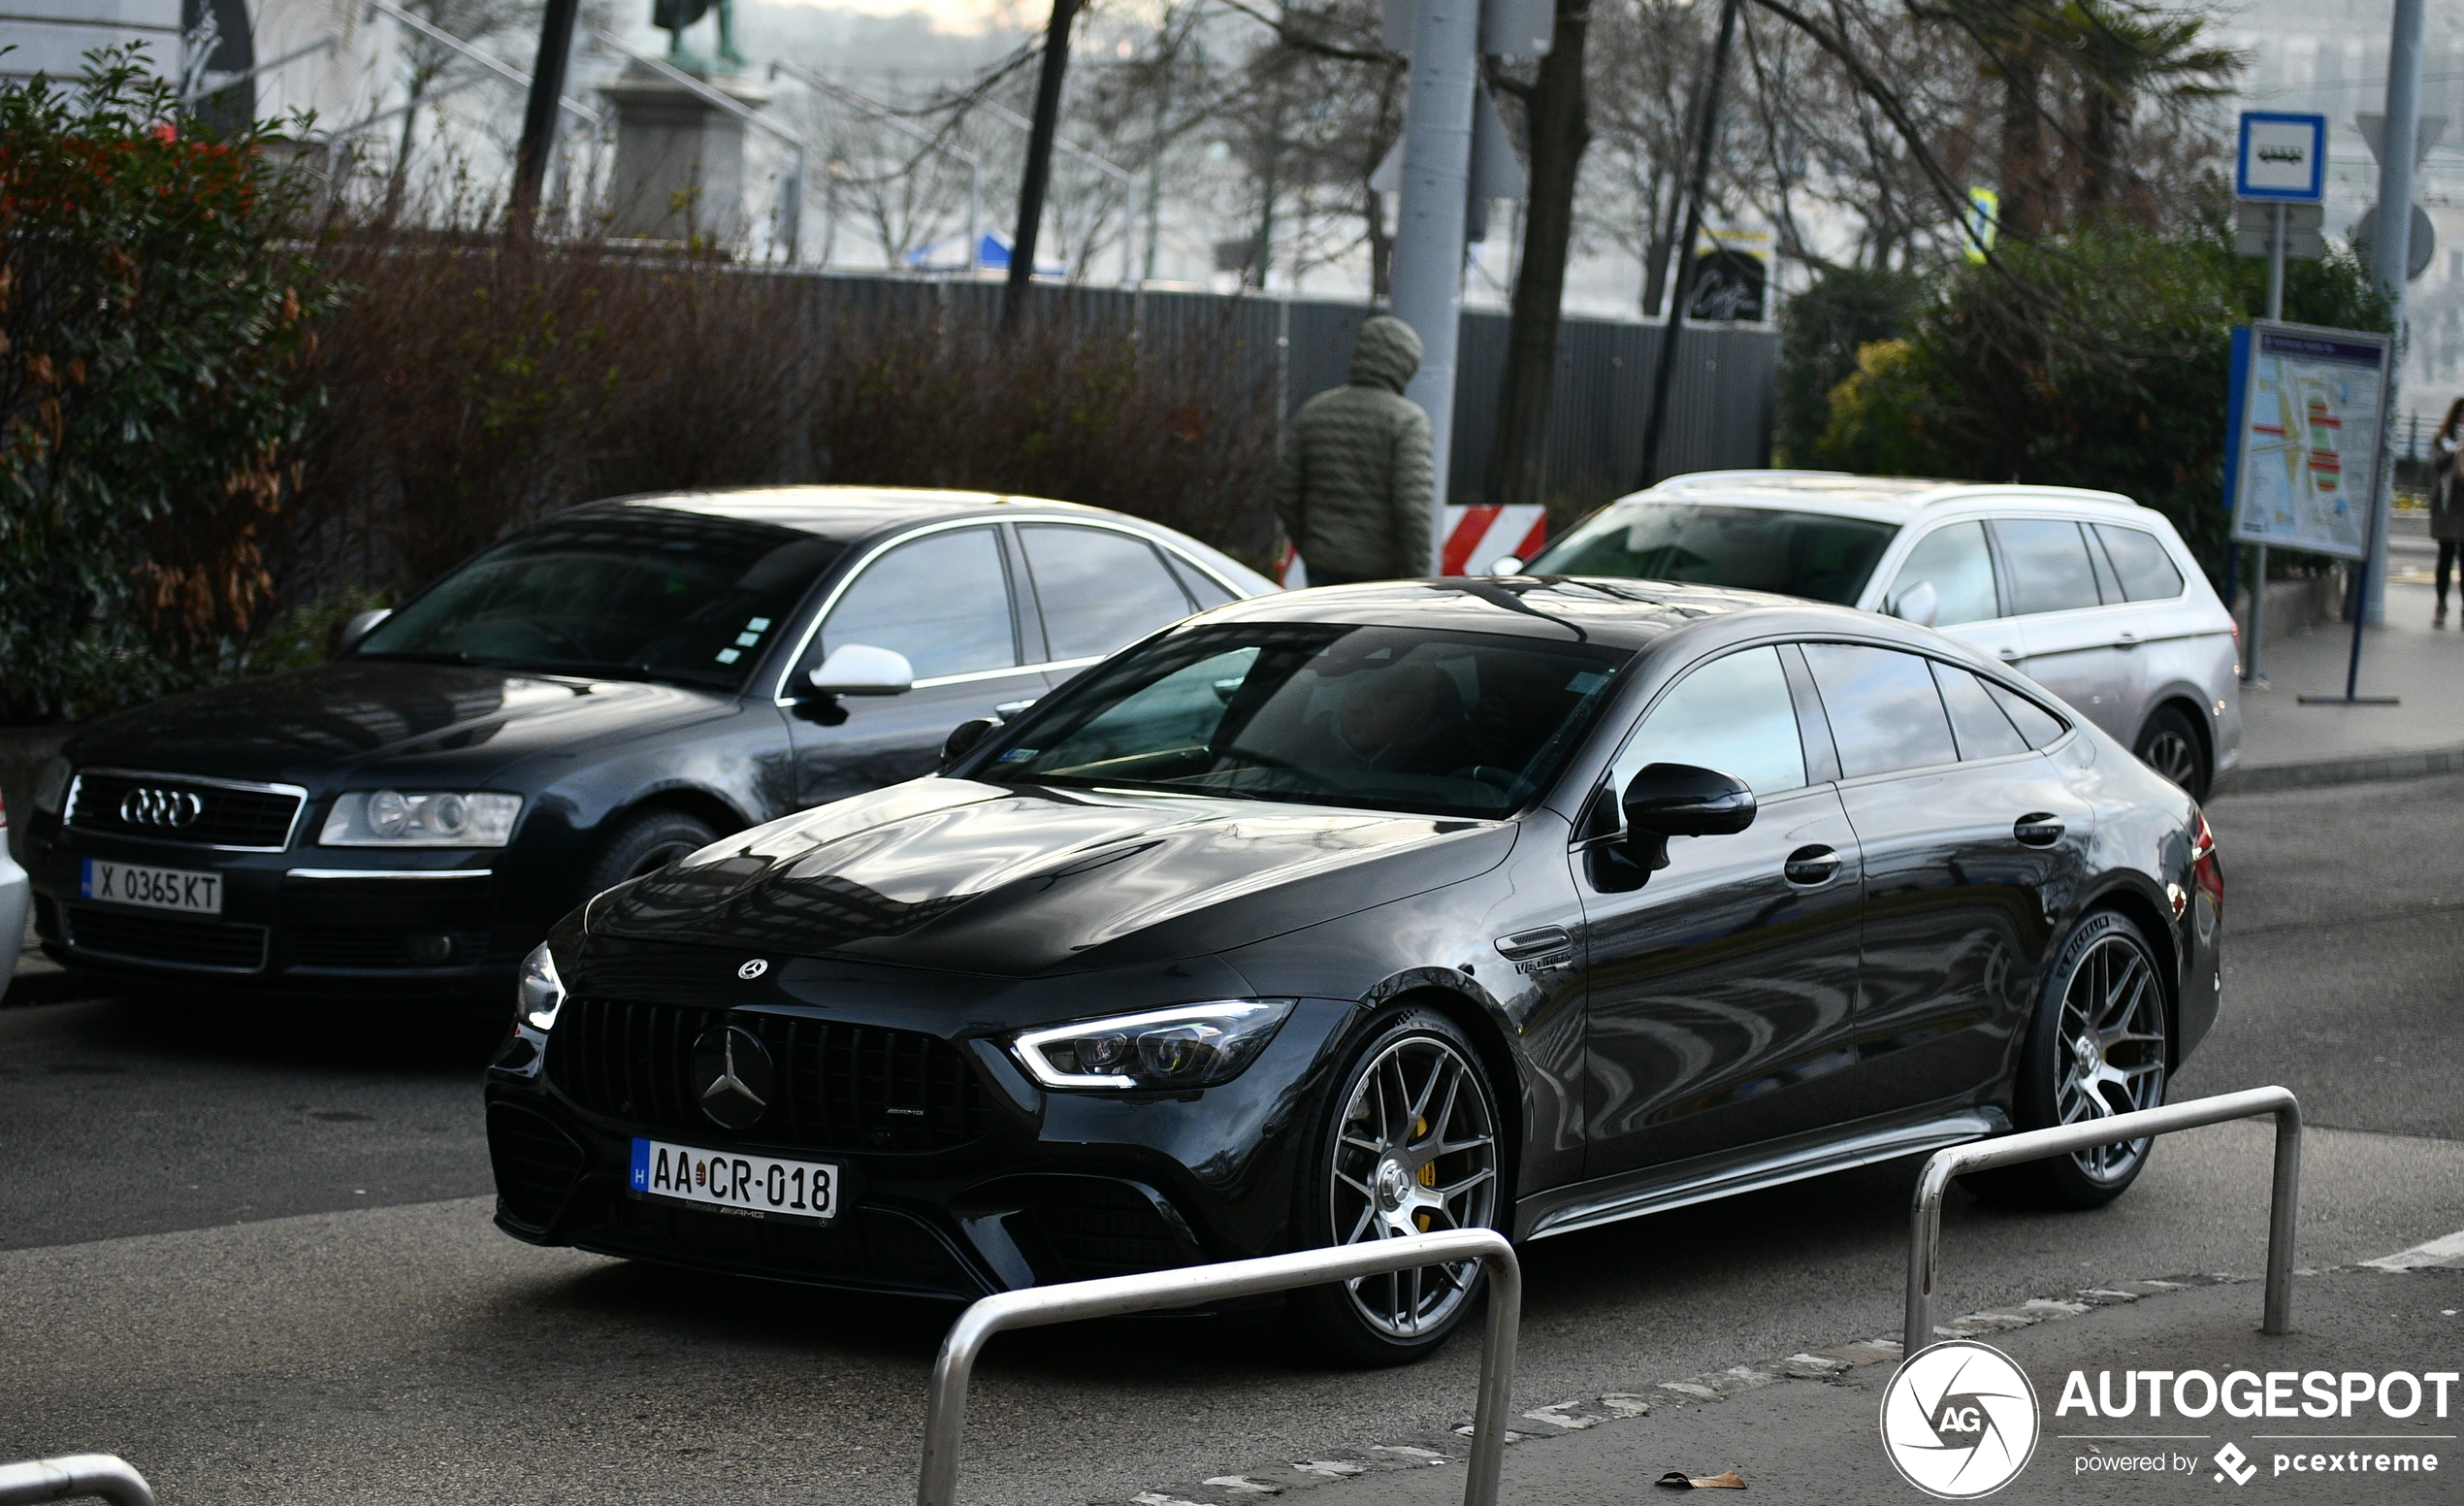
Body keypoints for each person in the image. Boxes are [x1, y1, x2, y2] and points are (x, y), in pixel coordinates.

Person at [1273, 315, 1436, 585]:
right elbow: (1413, 510)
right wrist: (1421, 581)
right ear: (1404, 366)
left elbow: (1285, 494)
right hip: (1380, 577)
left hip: (1321, 567)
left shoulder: (1315, 411)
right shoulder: (1408, 421)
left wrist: (1314, 545)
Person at [2436, 396, 2464, 627]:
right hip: (2448, 506)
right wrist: (2456, 450)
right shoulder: (2443, 439)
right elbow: (2437, 464)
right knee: (2445, 558)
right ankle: (2441, 604)